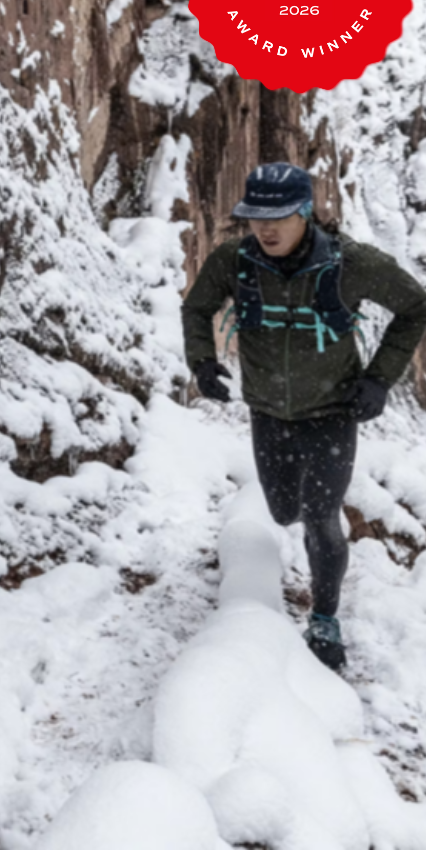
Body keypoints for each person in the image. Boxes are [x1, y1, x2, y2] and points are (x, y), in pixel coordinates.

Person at [182, 163, 426, 671]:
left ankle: (325, 620)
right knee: (283, 510)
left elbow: (416, 307)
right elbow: (197, 306)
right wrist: (202, 361)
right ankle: (295, 546)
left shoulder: (351, 263)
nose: (265, 228)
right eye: (255, 217)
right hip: (268, 411)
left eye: (278, 216)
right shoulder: (236, 261)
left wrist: (379, 378)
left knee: (320, 517)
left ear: (304, 212)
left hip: (332, 412)